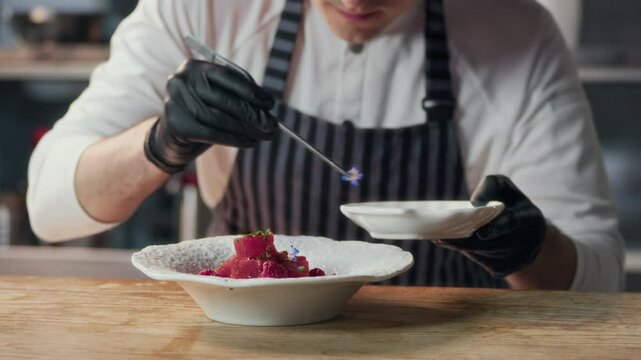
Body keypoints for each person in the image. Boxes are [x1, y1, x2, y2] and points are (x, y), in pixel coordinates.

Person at [27, 0, 623, 291]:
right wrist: (160, 143)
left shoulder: (516, 35)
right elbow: (50, 209)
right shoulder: (205, 7)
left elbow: (599, 284)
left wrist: (528, 246)